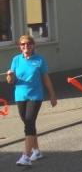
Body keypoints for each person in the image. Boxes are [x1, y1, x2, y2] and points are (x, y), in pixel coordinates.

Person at [6, 35, 57, 166]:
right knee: (29, 123)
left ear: (33, 45)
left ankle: (26, 156)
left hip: (35, 96)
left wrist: (52, 95)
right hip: (20, 96)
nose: (26, 46)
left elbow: (46, 78)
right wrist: (10, 76)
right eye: (23, 44)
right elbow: (11, 81)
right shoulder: (16, 60)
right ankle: (37, 151)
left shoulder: (39, 60)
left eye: (28, 44)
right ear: (20, 46)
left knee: (28, 122)